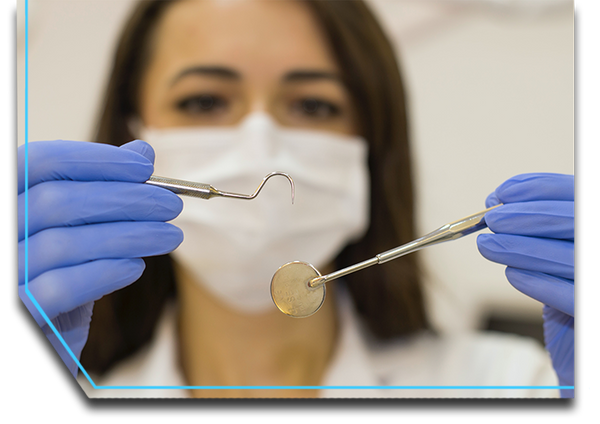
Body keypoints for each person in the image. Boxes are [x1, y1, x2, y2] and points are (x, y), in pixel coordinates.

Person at [18, 0, 574, 398]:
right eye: (205, 100)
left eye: (312, 105)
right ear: (133, 130)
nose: (261, 143)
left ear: (372, 148)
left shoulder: (511, 384)